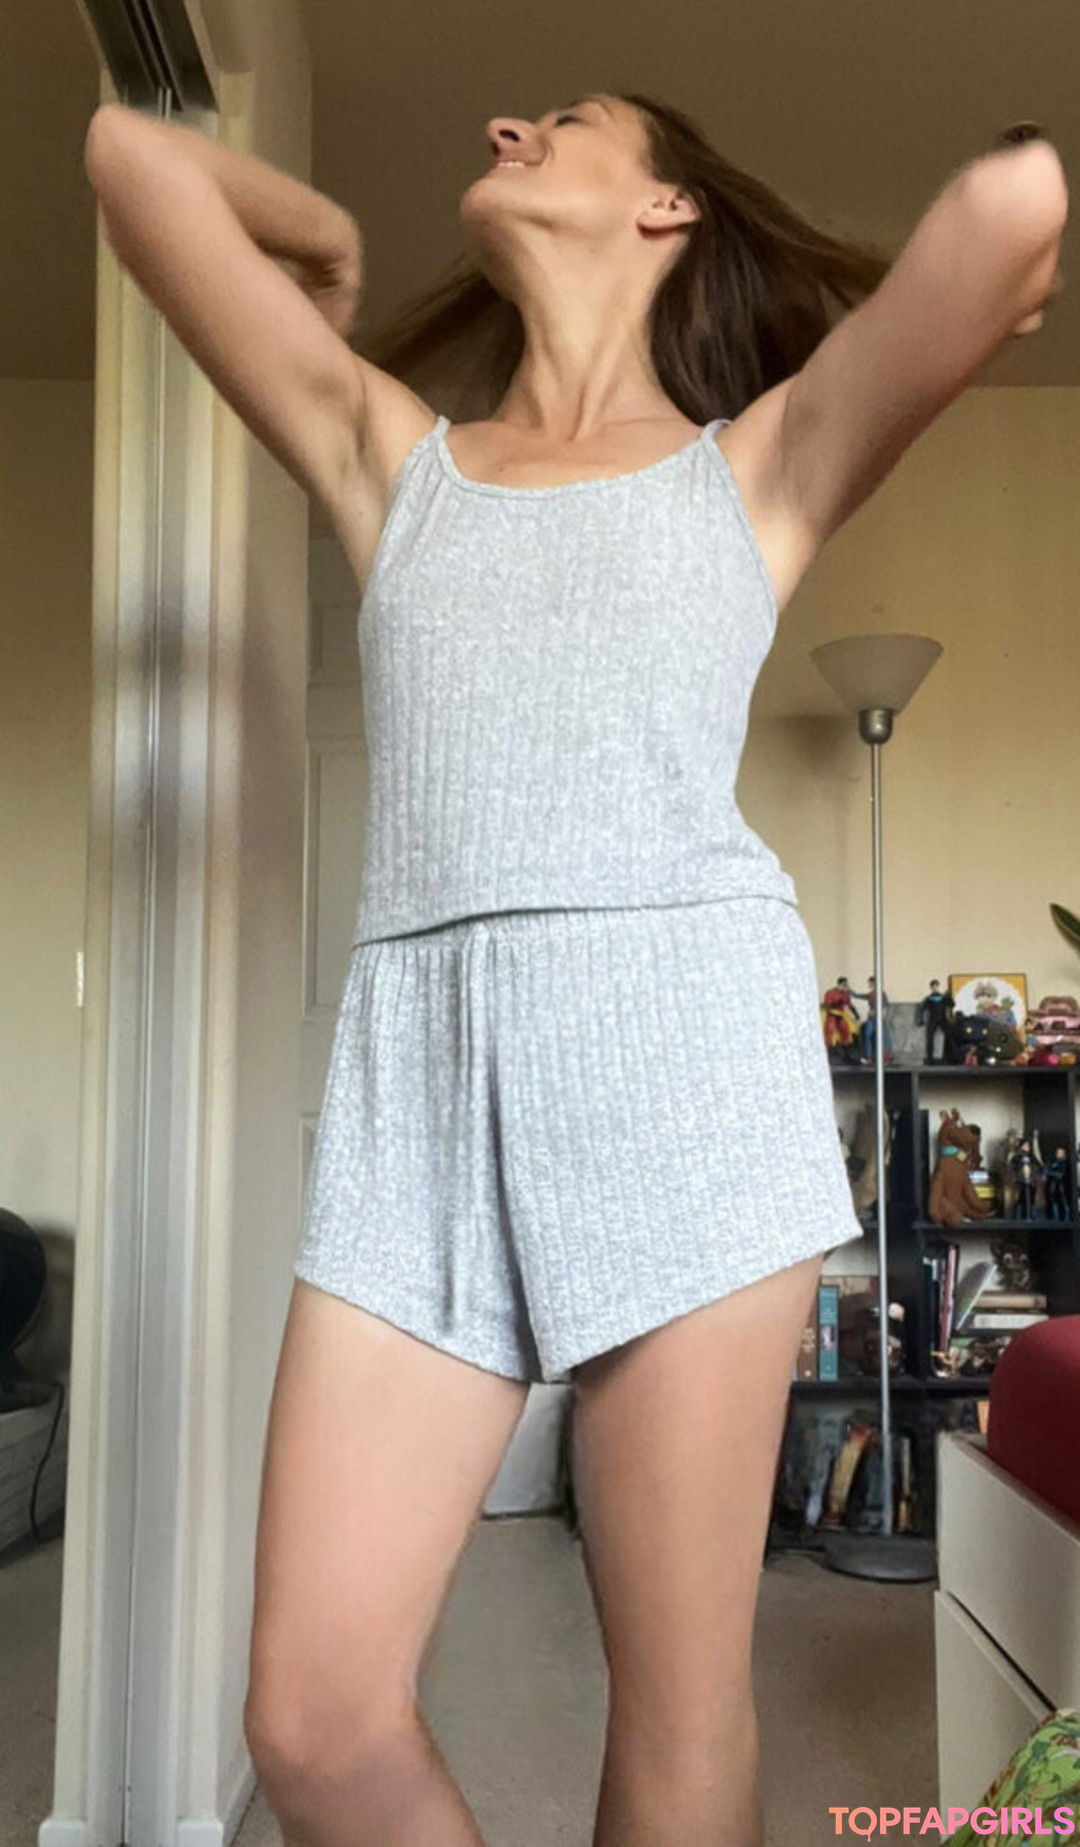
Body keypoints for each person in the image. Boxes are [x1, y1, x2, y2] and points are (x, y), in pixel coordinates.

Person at [84, 89, 1067, 1847]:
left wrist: (1002, 202)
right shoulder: (389, 455)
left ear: (670, 207)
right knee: (309, 1716)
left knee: (677, 1717)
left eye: (573, 117)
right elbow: (127, 161)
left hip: (684, 1064)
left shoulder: (757, 465)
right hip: (418, 1087)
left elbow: (1006, 226)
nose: (506, 121)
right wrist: (315, 236)